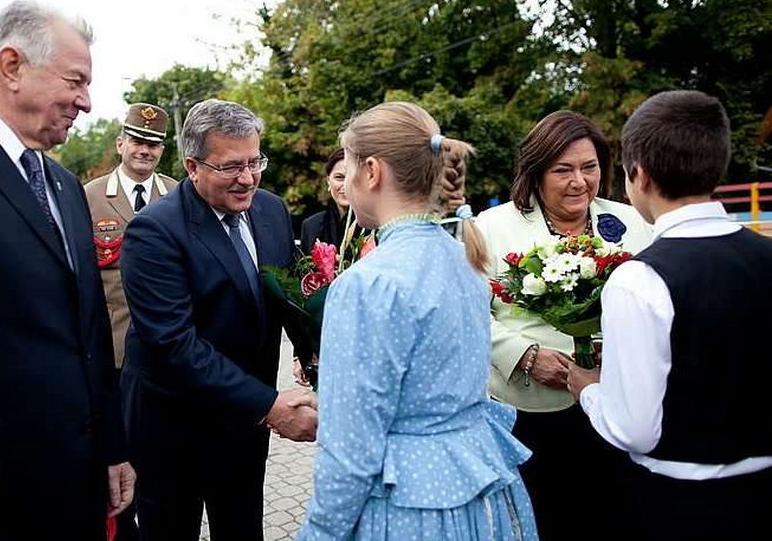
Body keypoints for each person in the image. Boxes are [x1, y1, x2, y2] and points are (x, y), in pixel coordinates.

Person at [0, 0, 133, 541]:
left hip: (77, 488)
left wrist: (113, 449)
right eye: (76, 80)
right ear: (12, 66)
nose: (87, 103)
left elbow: (89, 331)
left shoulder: (64, 187)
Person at [298, 101, 537, 540]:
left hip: (410, 506)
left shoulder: (369, 282)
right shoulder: (464, 256)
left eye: (349, 166)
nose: (347, 181)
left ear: (371, 171)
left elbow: (350, 452)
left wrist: (319, 533)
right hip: (479, 495)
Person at [567, 90, 772, 540]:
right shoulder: (766, 254)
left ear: (638, 175)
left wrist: (589, 390)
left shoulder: (638, 279)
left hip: (681, 502)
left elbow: (635, 430)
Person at [120, 98, 317, 541]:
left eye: (254, 162)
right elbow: (173, 344)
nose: (247, 178)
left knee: (243, 526)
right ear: (192, 165)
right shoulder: (154, 231)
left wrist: (318, 360)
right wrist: (268, 405)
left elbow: (288, 302)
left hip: (244, 423)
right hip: (173, 426)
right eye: (231, 167)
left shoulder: (271, 210)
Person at [474, 111, 651, 540]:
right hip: (529, 409)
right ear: (535, 172)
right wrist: (525, 355)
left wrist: (626, 346)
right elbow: (470, 315)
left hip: (617, 407)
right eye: (563, 170)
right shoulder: (489, 227)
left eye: (589, 168)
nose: (579, 182)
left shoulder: (632, 224)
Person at [84, 103, 176, 541]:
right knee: (120, 460)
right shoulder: (88, 195)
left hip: (169, 356)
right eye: (137, 140)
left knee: (163, 461)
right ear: (120, 143)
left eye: (154, 144)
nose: (145, 150)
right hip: (116, 353)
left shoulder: (179, 195)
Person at [300, 148, 352, 256]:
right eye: (339, 177)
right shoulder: (311, 226)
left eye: (352, 178)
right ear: (328, 181)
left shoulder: (374, 226)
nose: (346, 185)